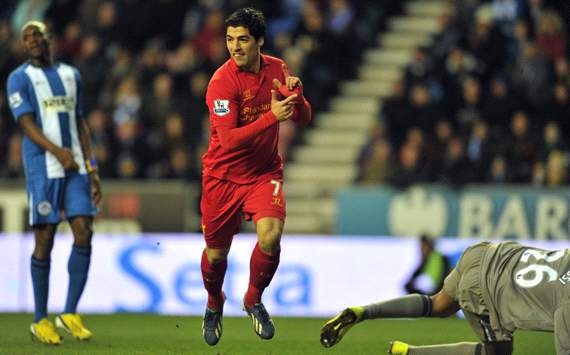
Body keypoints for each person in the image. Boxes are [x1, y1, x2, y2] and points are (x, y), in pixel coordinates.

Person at [199, 8, 311, 346]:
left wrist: (297, 95)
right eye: (230, 39)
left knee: (271, 236)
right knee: (216, 255)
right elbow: (229, 139)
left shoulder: (278, 68)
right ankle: (214, 301)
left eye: (243, 39)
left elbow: (303, 118)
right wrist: (271, 117)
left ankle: (252, 299)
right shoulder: (221, 82)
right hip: (223, 176)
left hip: (263, 173)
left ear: (260, 40)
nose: (235, 47)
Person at [6, 21, 102, 345]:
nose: (32, 40)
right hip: (44, 167)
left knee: (84, 232)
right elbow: (27, 124)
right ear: (23, 46)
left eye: (37, 34)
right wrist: (58, 152)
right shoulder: (19, 78)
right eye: (26, 37)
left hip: (74, 165)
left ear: (50, 38)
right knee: (45, 238)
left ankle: (70, 312)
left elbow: (80, 122)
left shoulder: (71, 75)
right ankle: (39, 319)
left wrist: (92, 167)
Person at [320, 241, 570, 355]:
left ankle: (364, 311)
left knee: (436, 304)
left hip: (487, 253)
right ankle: (410, 353)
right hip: (485, 289)